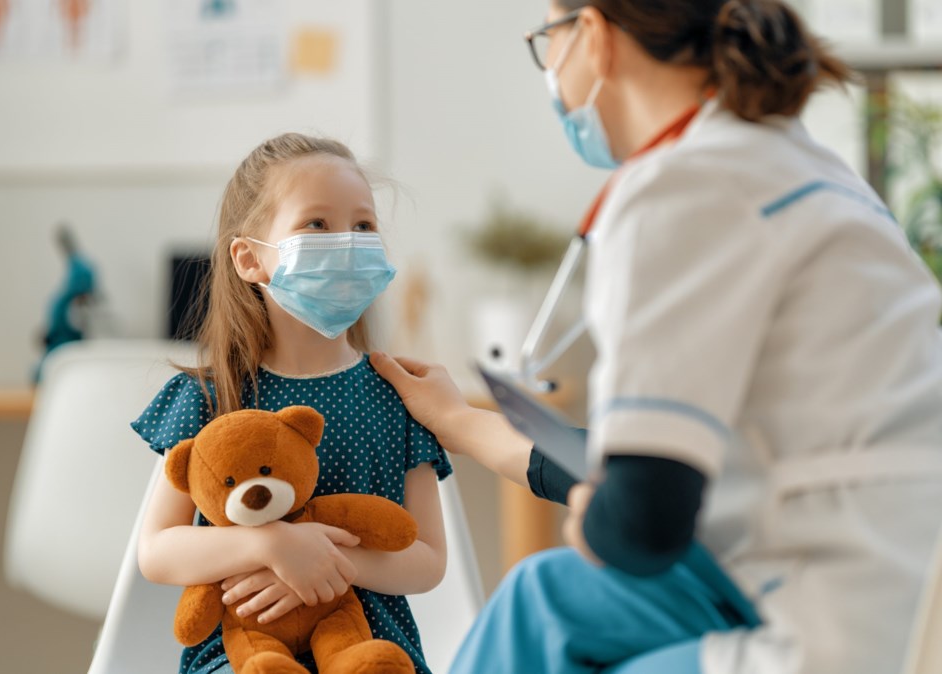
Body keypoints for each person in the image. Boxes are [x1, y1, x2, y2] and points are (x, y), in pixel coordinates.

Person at [369, 1, 942, 673]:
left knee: (557, 598)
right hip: (893, 565)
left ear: (594, 36)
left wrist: (596, 517)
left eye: (549, 38)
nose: (550, 65)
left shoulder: (678, 186)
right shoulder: (814, 170)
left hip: (831, 622)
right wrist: (459, 421)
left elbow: (640, 525)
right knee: (545, 595)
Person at [132, 133, 452, 674]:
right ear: (250, 258)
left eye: (363, 225)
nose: (347, 242)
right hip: (240, 654)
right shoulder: (211, 395)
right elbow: (158, 550)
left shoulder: (398, 395)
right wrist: (274, 545)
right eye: (317, 225)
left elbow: (427, 560)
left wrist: (326, 562)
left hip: (372, 650)